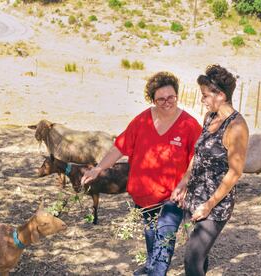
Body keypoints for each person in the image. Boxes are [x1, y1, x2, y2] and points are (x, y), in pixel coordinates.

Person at [81, 71, 202, 276]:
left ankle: (156, 271)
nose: (167, 102)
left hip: (172, 197)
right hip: (144, 196)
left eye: (171, 97)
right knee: (150, 233)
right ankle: (150, 265)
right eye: (161, 99)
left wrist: (185, 184)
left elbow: (197, 158)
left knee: (164, 237)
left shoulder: (189, 125)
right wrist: (98, 168)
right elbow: (119, 147)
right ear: (153, 100)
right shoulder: (142, 120)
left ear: (177, 95)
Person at [171, 64, 249, 276]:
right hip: (193, 197)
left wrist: (208, 205)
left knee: (192, 258)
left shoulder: (237, 127)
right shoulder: (210, 118)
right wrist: (184, 181)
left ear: (221, 95)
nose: (202, 100)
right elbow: (198, 154)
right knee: (198, 255)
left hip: (215, 205)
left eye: (205, 95)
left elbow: (235, 172)